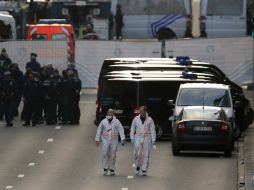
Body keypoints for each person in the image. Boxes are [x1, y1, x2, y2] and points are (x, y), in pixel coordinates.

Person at [95, 109, 125, 176]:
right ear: (107, 113)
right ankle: (105, 168)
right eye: (108, 112)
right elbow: (99, 130)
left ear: (113, 113)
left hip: (114, 140)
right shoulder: (103, 121)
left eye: (111, 112)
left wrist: (122, 138)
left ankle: (112, 169)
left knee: (113, 154)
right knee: (105, 153)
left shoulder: (117, 121)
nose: (109, 113)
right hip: (105, 139)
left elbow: (121, 129)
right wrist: (97, 139)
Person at [130, 106, 156, 176]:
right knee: (138, 153)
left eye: (141, 111)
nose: (140, 112)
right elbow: (132, 128)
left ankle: (144, 169)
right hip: (138, 137)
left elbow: (153, 130)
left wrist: (153, 139)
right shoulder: (136, 119)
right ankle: (138, 165)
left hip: (147, 137)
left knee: (146, 154)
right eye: (139, 111)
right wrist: (132, 137)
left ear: (145, 111)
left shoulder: (150, 120)